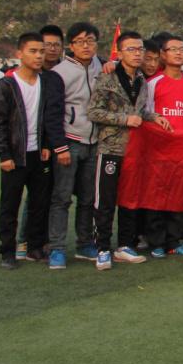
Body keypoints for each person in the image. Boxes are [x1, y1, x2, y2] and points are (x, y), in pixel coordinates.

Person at [87, 30, 166, 271]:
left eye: (140, 49)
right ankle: (102, 248)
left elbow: (139, 111)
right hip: (111, 147)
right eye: (131, 49)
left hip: (134, 149)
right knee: (105, 200)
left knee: (130, 199)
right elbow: (93, 111)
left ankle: (124, 245)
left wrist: (154, 117)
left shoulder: (141, 79)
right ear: (119, 53)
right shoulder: (107, 77)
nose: (137, 54)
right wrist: (124, 120)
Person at [0, 33, 68, 269]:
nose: (39, 56)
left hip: (39, 155)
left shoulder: (46, 82)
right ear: (19, 54)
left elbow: (47, 118)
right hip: (15, 156)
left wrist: (46, 145)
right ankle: (7, 250)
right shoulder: (6, 85)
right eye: (33, 51)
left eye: (41, 51)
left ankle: (35, 246)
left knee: (39, 203)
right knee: (10, 205)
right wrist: (4, 155)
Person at [48, 22, 105, 266]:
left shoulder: (102, 66)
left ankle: (85, 243)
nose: (86, 46)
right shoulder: (59, 72)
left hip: (95, 142)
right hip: (70, 142)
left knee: (87, 199)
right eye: (80, 41)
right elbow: (52, 113)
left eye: (90, 40)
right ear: (71, 45)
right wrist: (59, 147)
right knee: (61, 198)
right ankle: (57, 248)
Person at [143, 33, 183, 258]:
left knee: (179, 194)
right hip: (159, 149)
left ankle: (173, 240)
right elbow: (146, 114)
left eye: (182, 49)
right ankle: (156, 241)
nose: (178, 53)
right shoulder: (153, 83)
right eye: (173, 49)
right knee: (157, 194)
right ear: (163, 55)